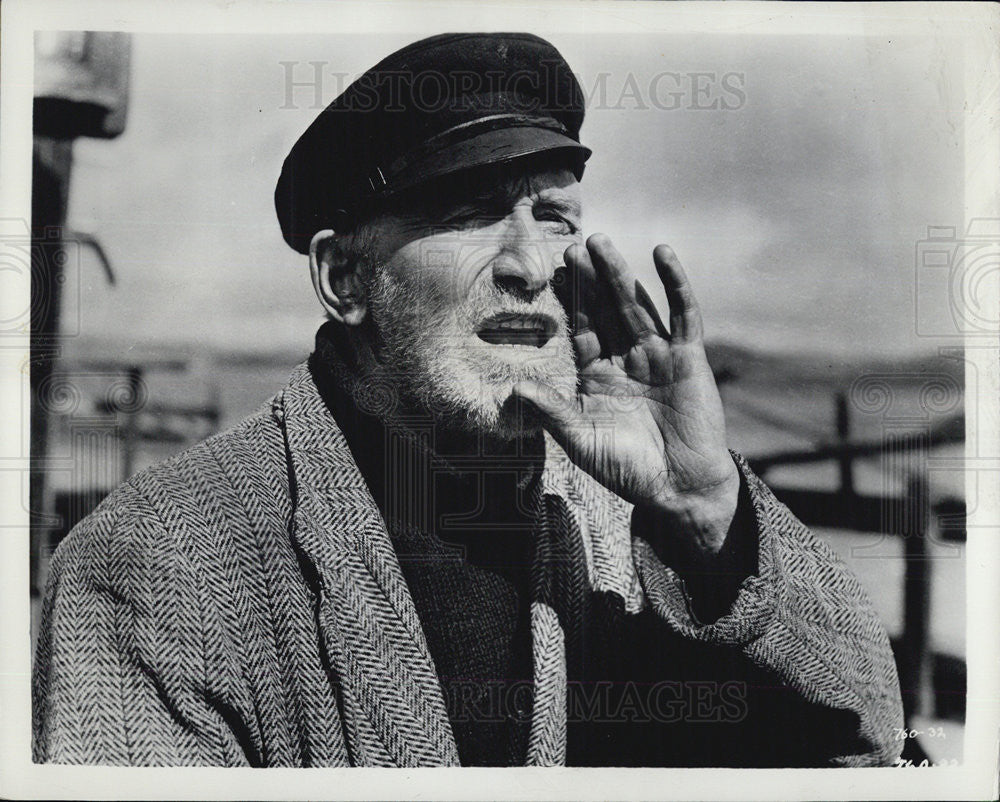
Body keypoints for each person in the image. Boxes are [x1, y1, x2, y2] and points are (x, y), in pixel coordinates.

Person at [32, 32, 904, 767]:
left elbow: (865, 742)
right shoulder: (159, 562)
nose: (529, 263)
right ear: (345, 277)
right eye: (470, 211)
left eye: (553, 215)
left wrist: (711, 517)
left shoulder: (626, 516)